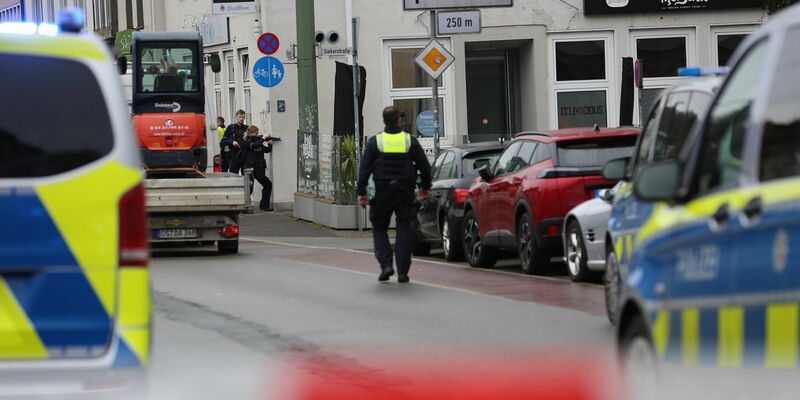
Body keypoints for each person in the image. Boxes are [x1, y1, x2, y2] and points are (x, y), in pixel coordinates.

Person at [357, 106, 432, 283]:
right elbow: (424, 166)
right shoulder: (409, 140)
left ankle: (386, 265)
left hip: (383, 192)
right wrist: (425, 187)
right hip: (405, 192)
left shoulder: (376, 142)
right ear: (399, 120)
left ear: (384, 121)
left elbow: (365, 168)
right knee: (404, 228)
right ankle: (403, 272)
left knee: (379, 228)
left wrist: (362, 192)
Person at [242, 125, 274, 212]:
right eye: (255, 133)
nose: (257, 135)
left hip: (259, 168)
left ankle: (264, 205)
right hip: (250, 168)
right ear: (250, 133)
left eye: (257, 133)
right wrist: (263, 138)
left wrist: (269, 144)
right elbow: (254, 145)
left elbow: (266, 150)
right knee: (249, 188)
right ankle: (244, 206)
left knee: (268, 185)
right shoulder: (246, 142)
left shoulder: (259, 141)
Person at [221, 110, 248, 174]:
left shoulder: (247, 128)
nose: (241, 119)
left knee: (247, 177)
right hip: (233, 156)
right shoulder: (231, 127)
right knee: (233, 176)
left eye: (243, 117)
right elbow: (223, 141)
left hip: (244, 156)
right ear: (236, 117)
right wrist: (232, 142)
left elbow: (253, 139)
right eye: (240, 117)